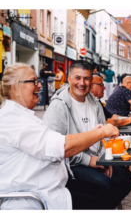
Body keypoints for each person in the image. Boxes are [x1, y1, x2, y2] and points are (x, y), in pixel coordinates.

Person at [0, 63, 119, 209]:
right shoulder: (14, 120)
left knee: (111, 189)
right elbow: (62, 147)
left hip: (51, 188)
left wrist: (92, 137)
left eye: (38, 81)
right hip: (35, 199)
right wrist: (100, 133)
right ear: (15, 89)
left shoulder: (22, 116)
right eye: (33, 81)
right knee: (102, 196)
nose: (40, 86)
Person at [43, 60, 131, 209]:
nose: (82, 83)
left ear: (91, 81)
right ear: (69, 79)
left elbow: (103, 134)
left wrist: (103, 159)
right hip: (73, 165)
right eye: (77, 78)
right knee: (107, 185)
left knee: (127, 178)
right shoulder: (59, 106)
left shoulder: (95, 103)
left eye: (86, 78)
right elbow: (56, 148)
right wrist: (89, 160)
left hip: (97, 159)